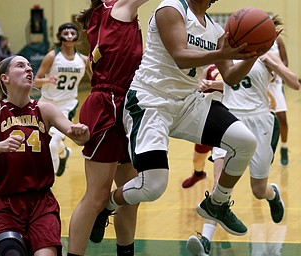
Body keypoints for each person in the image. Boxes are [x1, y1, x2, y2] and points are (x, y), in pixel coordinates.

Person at [94, 0, 279, 246]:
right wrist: (222, 53)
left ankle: (217, 203)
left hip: (188, 103)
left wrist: (251, 56)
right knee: (153, 187)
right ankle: (108, 204)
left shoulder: (214, 29)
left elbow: (231, 77)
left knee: (245, 141)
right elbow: (180, 56)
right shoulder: (171, 8)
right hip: (151, 101)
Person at [186, 49, 300, 256]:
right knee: (218, 185)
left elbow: (295, 83)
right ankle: (205, 241)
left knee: (258, 190)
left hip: (260, 121)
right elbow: (233, 85)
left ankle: (272, 194)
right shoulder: (226, 53)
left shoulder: (266, 55)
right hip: (229, 120)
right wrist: (210, 85)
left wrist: (271, 64)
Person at [0, 55, 90, 256]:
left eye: (30, 66)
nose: (29, 70)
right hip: (5, 203)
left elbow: (78, 136)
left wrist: (82, 132)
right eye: (21, 66)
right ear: (5, 78)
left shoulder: (44, 109)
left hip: (41, 203)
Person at [67, 1, 147, 256]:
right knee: (96, 197)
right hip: (108, 106)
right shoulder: (117, 9)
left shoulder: (110, 13)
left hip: (127, 105)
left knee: (131, 197)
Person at [34, 22, 88, 176]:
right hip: (46, 104)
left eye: (73, 33)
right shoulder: (52, 56)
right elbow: (35, 81)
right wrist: (47, 80)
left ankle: (49, 183)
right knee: (44, 143)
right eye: (66, 33)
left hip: (67, 106)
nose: (69, 36)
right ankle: (64, 154)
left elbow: (96, 81)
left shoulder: (83, 60)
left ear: (77, 36)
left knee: (53, 144)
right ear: (60, 36)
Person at [182, 64, 223, 188]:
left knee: (220, 160)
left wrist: (211, 85)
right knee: (197, 160)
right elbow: (199, 87)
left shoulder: (234, 67)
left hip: (225, 119)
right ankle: (198, 174)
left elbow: (233, 85)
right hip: (208, 118)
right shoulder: (209, 68)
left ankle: (218, 198)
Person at [268, 16, 290, 166]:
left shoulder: (278, 41)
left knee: (281, 117)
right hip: (262, 84)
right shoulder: (256, 40)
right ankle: (264, 151)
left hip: (275, 84)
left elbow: (285, 61)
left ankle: (284, 147)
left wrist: (279, 70)